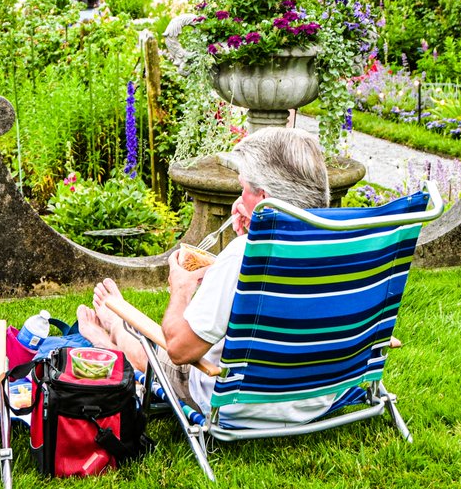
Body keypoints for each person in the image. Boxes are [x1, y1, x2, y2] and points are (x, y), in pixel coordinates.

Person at [77, 127, 334, 429]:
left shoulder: (245, 256)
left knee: (162, 354)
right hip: (319, 396)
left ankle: (114, 333)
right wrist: (259, 227)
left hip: (237, 405)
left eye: (243, 190)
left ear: (263, 197)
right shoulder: (347, 244)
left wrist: (182, 289)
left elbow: (181, 350)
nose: (239, 199)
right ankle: (119, 329)